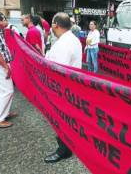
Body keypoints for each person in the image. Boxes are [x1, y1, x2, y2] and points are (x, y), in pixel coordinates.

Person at [44, 12, 82, 163]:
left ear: (55, 25)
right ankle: (66, 144)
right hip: (70, 87)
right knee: (66, 118)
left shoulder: (64, 43)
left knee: (62, 119)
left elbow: (57, 70)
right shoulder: (71, 39)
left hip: (63, 89)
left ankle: (64, 150)